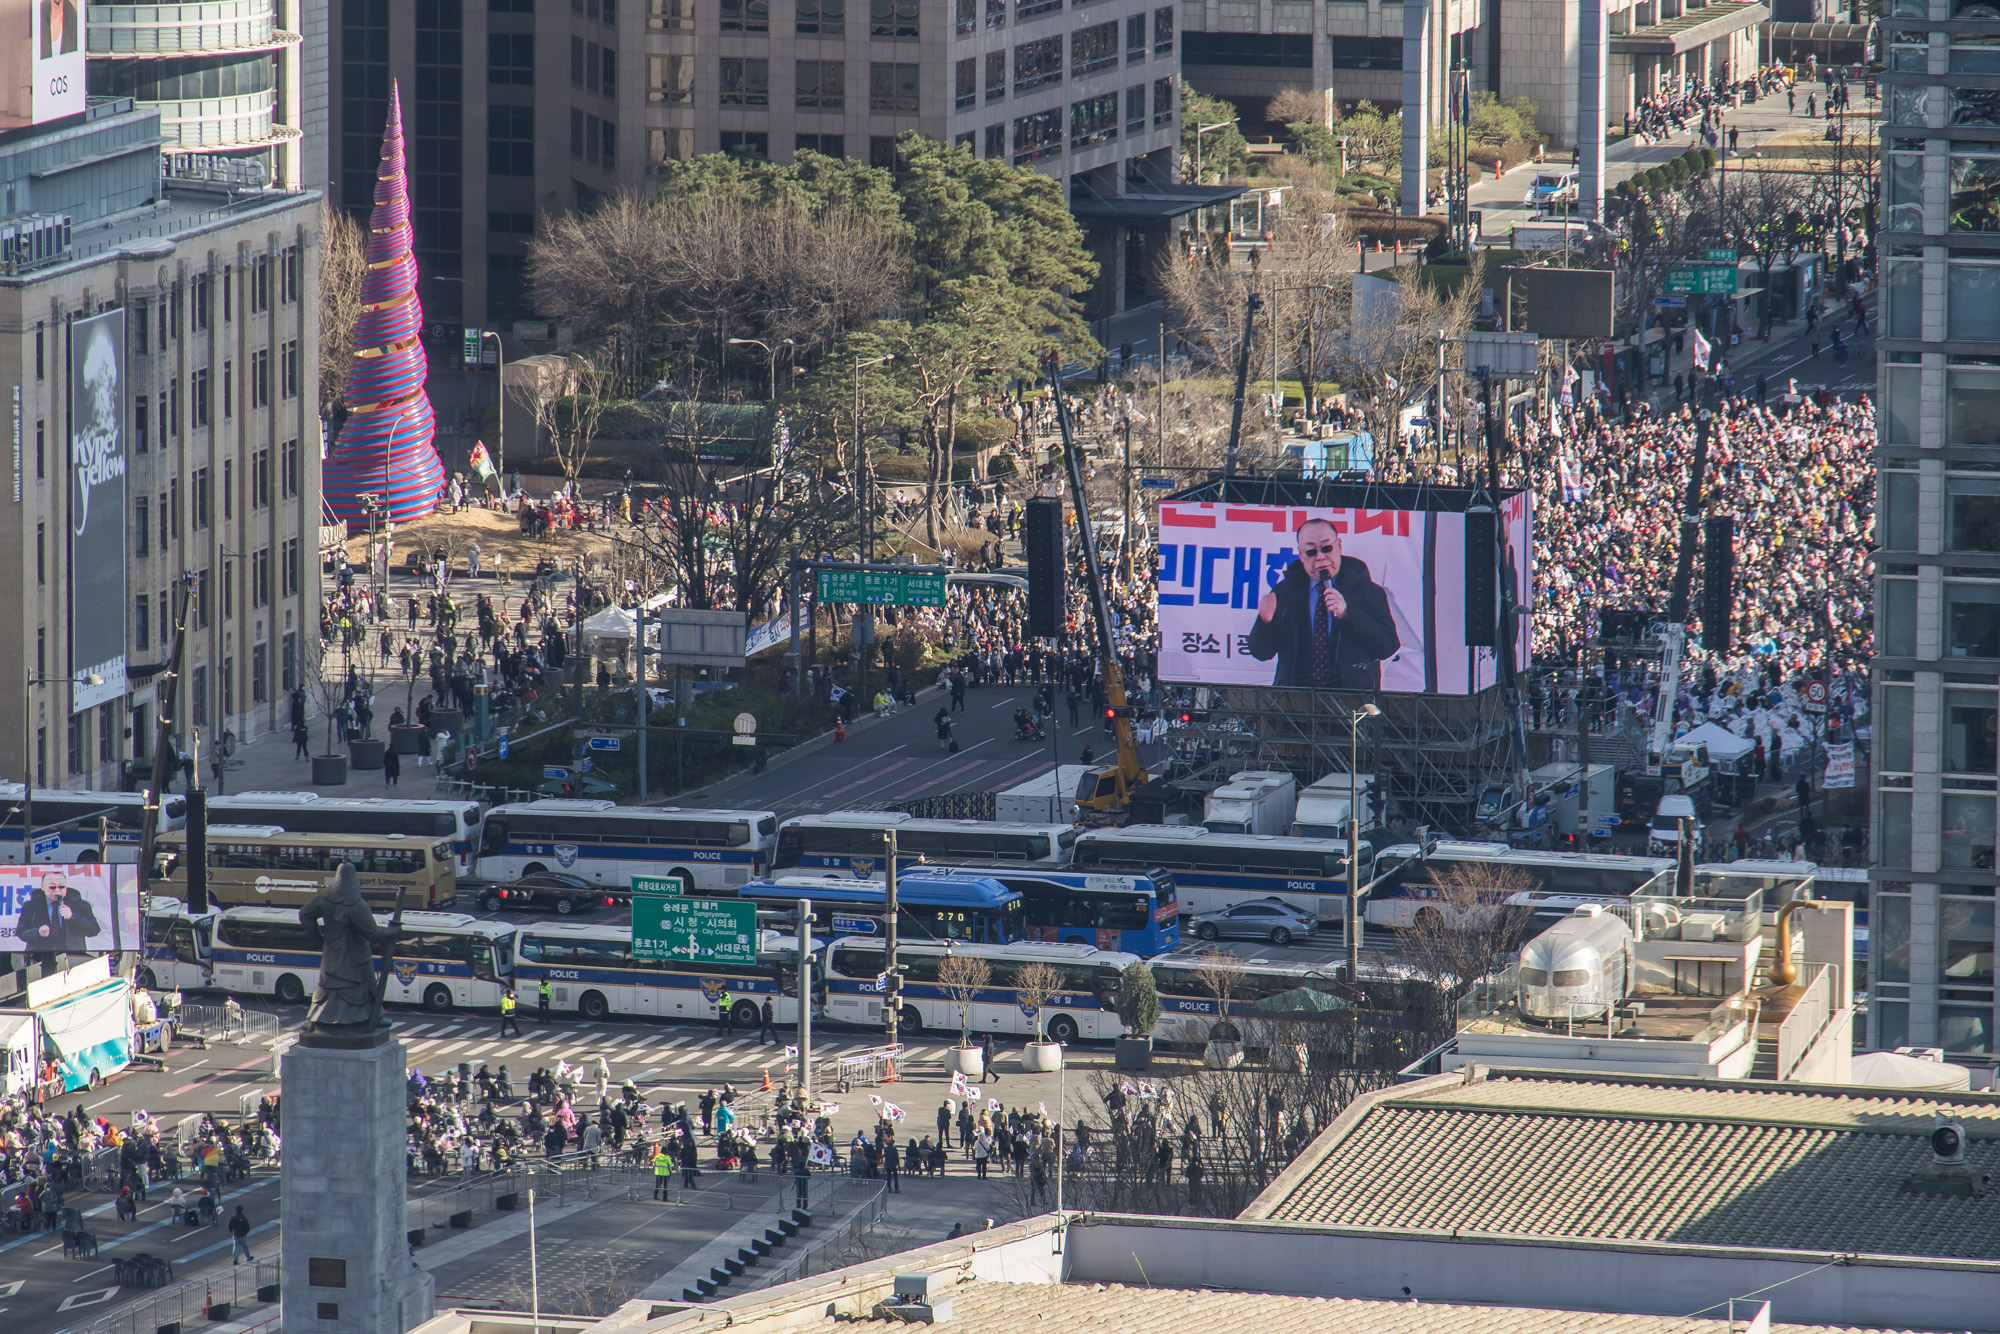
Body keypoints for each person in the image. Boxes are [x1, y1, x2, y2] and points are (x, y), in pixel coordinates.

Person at [1245, 518, 1400, 689]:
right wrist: (1265, 622)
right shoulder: (1286, 591)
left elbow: (1388, 646)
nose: (1320, 557)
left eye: (1327, 548)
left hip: (1352, 700)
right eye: (1311, 552)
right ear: (1301, 555)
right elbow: (1261, 652)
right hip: (1295, 701)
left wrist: (1348, 614)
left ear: (1339, 546)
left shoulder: (1370, 591)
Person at [17, 870, 100, 958]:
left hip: (72, 956)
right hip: (40, 957)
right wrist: (37, 932)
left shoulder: (79, 904)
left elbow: (94, 930)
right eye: (52, 887)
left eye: (61, 887)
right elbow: (21, 932)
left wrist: (73, 917)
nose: (57, 891)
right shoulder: (31, 905)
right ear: (43, 886)